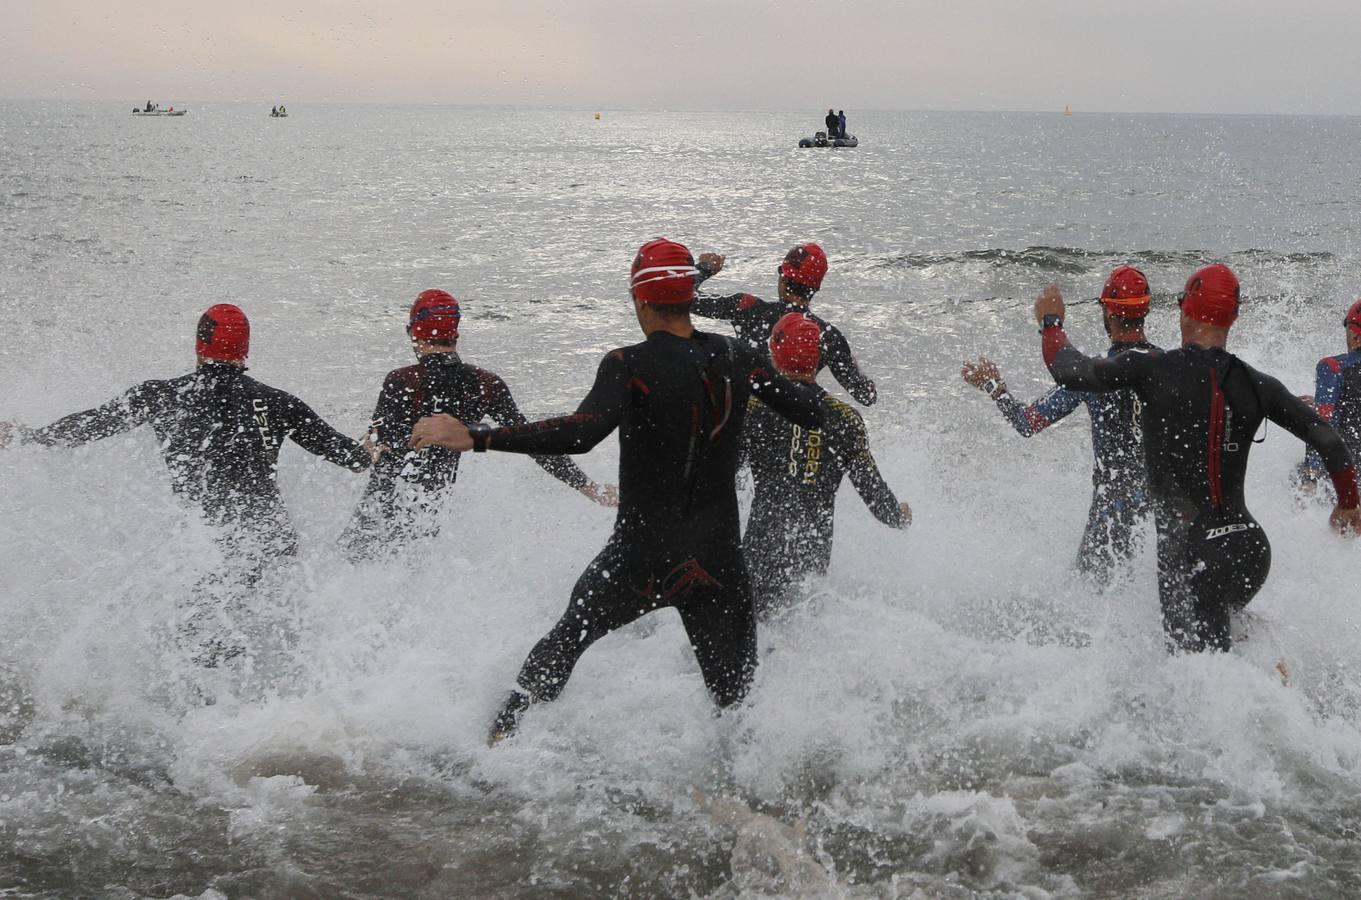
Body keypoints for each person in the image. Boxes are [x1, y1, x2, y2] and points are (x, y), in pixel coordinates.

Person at [409, 238, 823, 743]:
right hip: (718, 562)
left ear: (641, 300)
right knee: (736, 705)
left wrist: (477, 437)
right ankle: (754, 800)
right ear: (691, 297)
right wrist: (762, 375)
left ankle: (495, 749)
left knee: (563, 645)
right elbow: (810, 410)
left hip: (641, 558)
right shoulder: (736, 355)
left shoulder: (628, 364)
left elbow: (581, 433)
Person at [0, 304, 375, 664]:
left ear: (200, 345)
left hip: (204, 542)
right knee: (266, 635)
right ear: (244, 351)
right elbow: (352, 458)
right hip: (271, 540)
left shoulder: (161, 396)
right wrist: (377, 447)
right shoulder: (277, 402)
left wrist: (29, 437)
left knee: (204, 639)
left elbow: (90, 425)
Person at [1034, 264, 1361, 653]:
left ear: (1183, 310)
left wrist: (1051, 321)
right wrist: (1348, 503)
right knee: (1223, 654)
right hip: (1251, 550)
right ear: (1234, 317)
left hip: (1192, 553)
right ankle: (1277, 683)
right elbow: (1331, 442)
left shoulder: (1151, 369)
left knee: (1192, 668)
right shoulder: (1258, 383)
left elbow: (1070, 370)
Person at [339, 289, 614, 562]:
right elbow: (530, 440)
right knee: (412, 577)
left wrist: (360, 448)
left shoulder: (401, 381)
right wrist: (587, 486)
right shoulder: (485, 384)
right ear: (455, 334)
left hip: (378, 510)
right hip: (429, 514)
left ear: (414, 332)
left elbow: (376, 443)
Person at [962, 266, 1157, 581]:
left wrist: (994, 387)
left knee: (1088, 600)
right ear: (1146, 310)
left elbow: (1027, 422)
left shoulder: (1095, 374)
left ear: (1107, 311)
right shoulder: (1171, 368)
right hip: (1158, 515)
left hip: (1108, 516)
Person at [742, 313, 910, 615]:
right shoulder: (846, 419)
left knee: (752, 638)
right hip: (813, 554)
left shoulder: (753, 407)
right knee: (800, 635)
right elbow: (875, 497)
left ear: (775, 352)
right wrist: (900, 516)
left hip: (761, 545)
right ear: (818, 359)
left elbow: (716, 473)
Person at [691, 243, 877, 406]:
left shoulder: (748, 308)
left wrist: (704, 268)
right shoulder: (827, 335)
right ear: (816, 287)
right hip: (796, 417)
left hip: (748, 417)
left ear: (784, 278)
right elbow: (866, 395)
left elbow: (688, 297)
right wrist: (849, 358)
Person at [1298, 299, 1361, 498]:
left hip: (1343, 479)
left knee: (1293, 477)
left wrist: (1311, 475)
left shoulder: (1333, 367)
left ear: (1355, 334)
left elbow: (1325, 422)